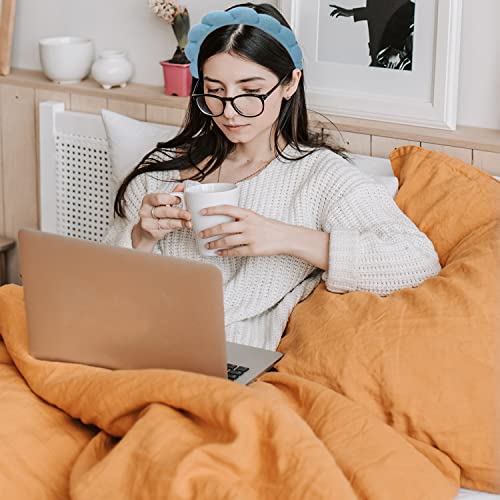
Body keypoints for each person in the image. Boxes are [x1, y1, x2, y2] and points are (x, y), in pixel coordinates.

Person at [102, 2, 441, 351]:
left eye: (250, 92)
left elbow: (417, 261)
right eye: (216, 92)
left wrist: (285, 237)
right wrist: (140, 237)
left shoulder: (319, 177)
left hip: (227, 358)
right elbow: (104, 290)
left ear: (290, 83)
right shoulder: (160, 174)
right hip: (134, 342)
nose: (230, 111)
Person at [329, 0, 410, 67]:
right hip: (379, 55)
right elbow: (378, 10)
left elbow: (408, 11)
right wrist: (351, 13)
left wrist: (397, 49)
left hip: (395, 59)